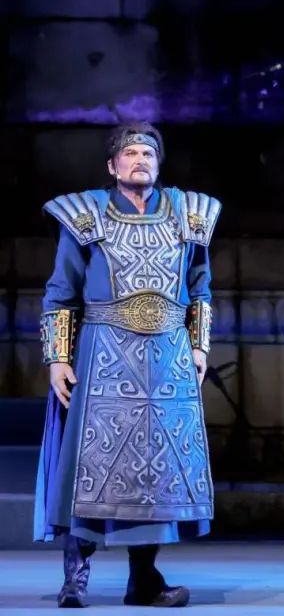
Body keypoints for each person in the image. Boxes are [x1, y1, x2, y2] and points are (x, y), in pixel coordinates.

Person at [35, 122, 221, 608]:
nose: (140, 159)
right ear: (112, 165)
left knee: (154, 470)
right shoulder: (85, 215)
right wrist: (57, 358)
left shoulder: (189, 215)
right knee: (89, 463)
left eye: (148, 153)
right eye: (131, 153)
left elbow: (200, 288)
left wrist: (199, 346)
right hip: (103, 352)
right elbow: (61, 292)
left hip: (167, 356)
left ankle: (144, 580)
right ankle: (75, 578)